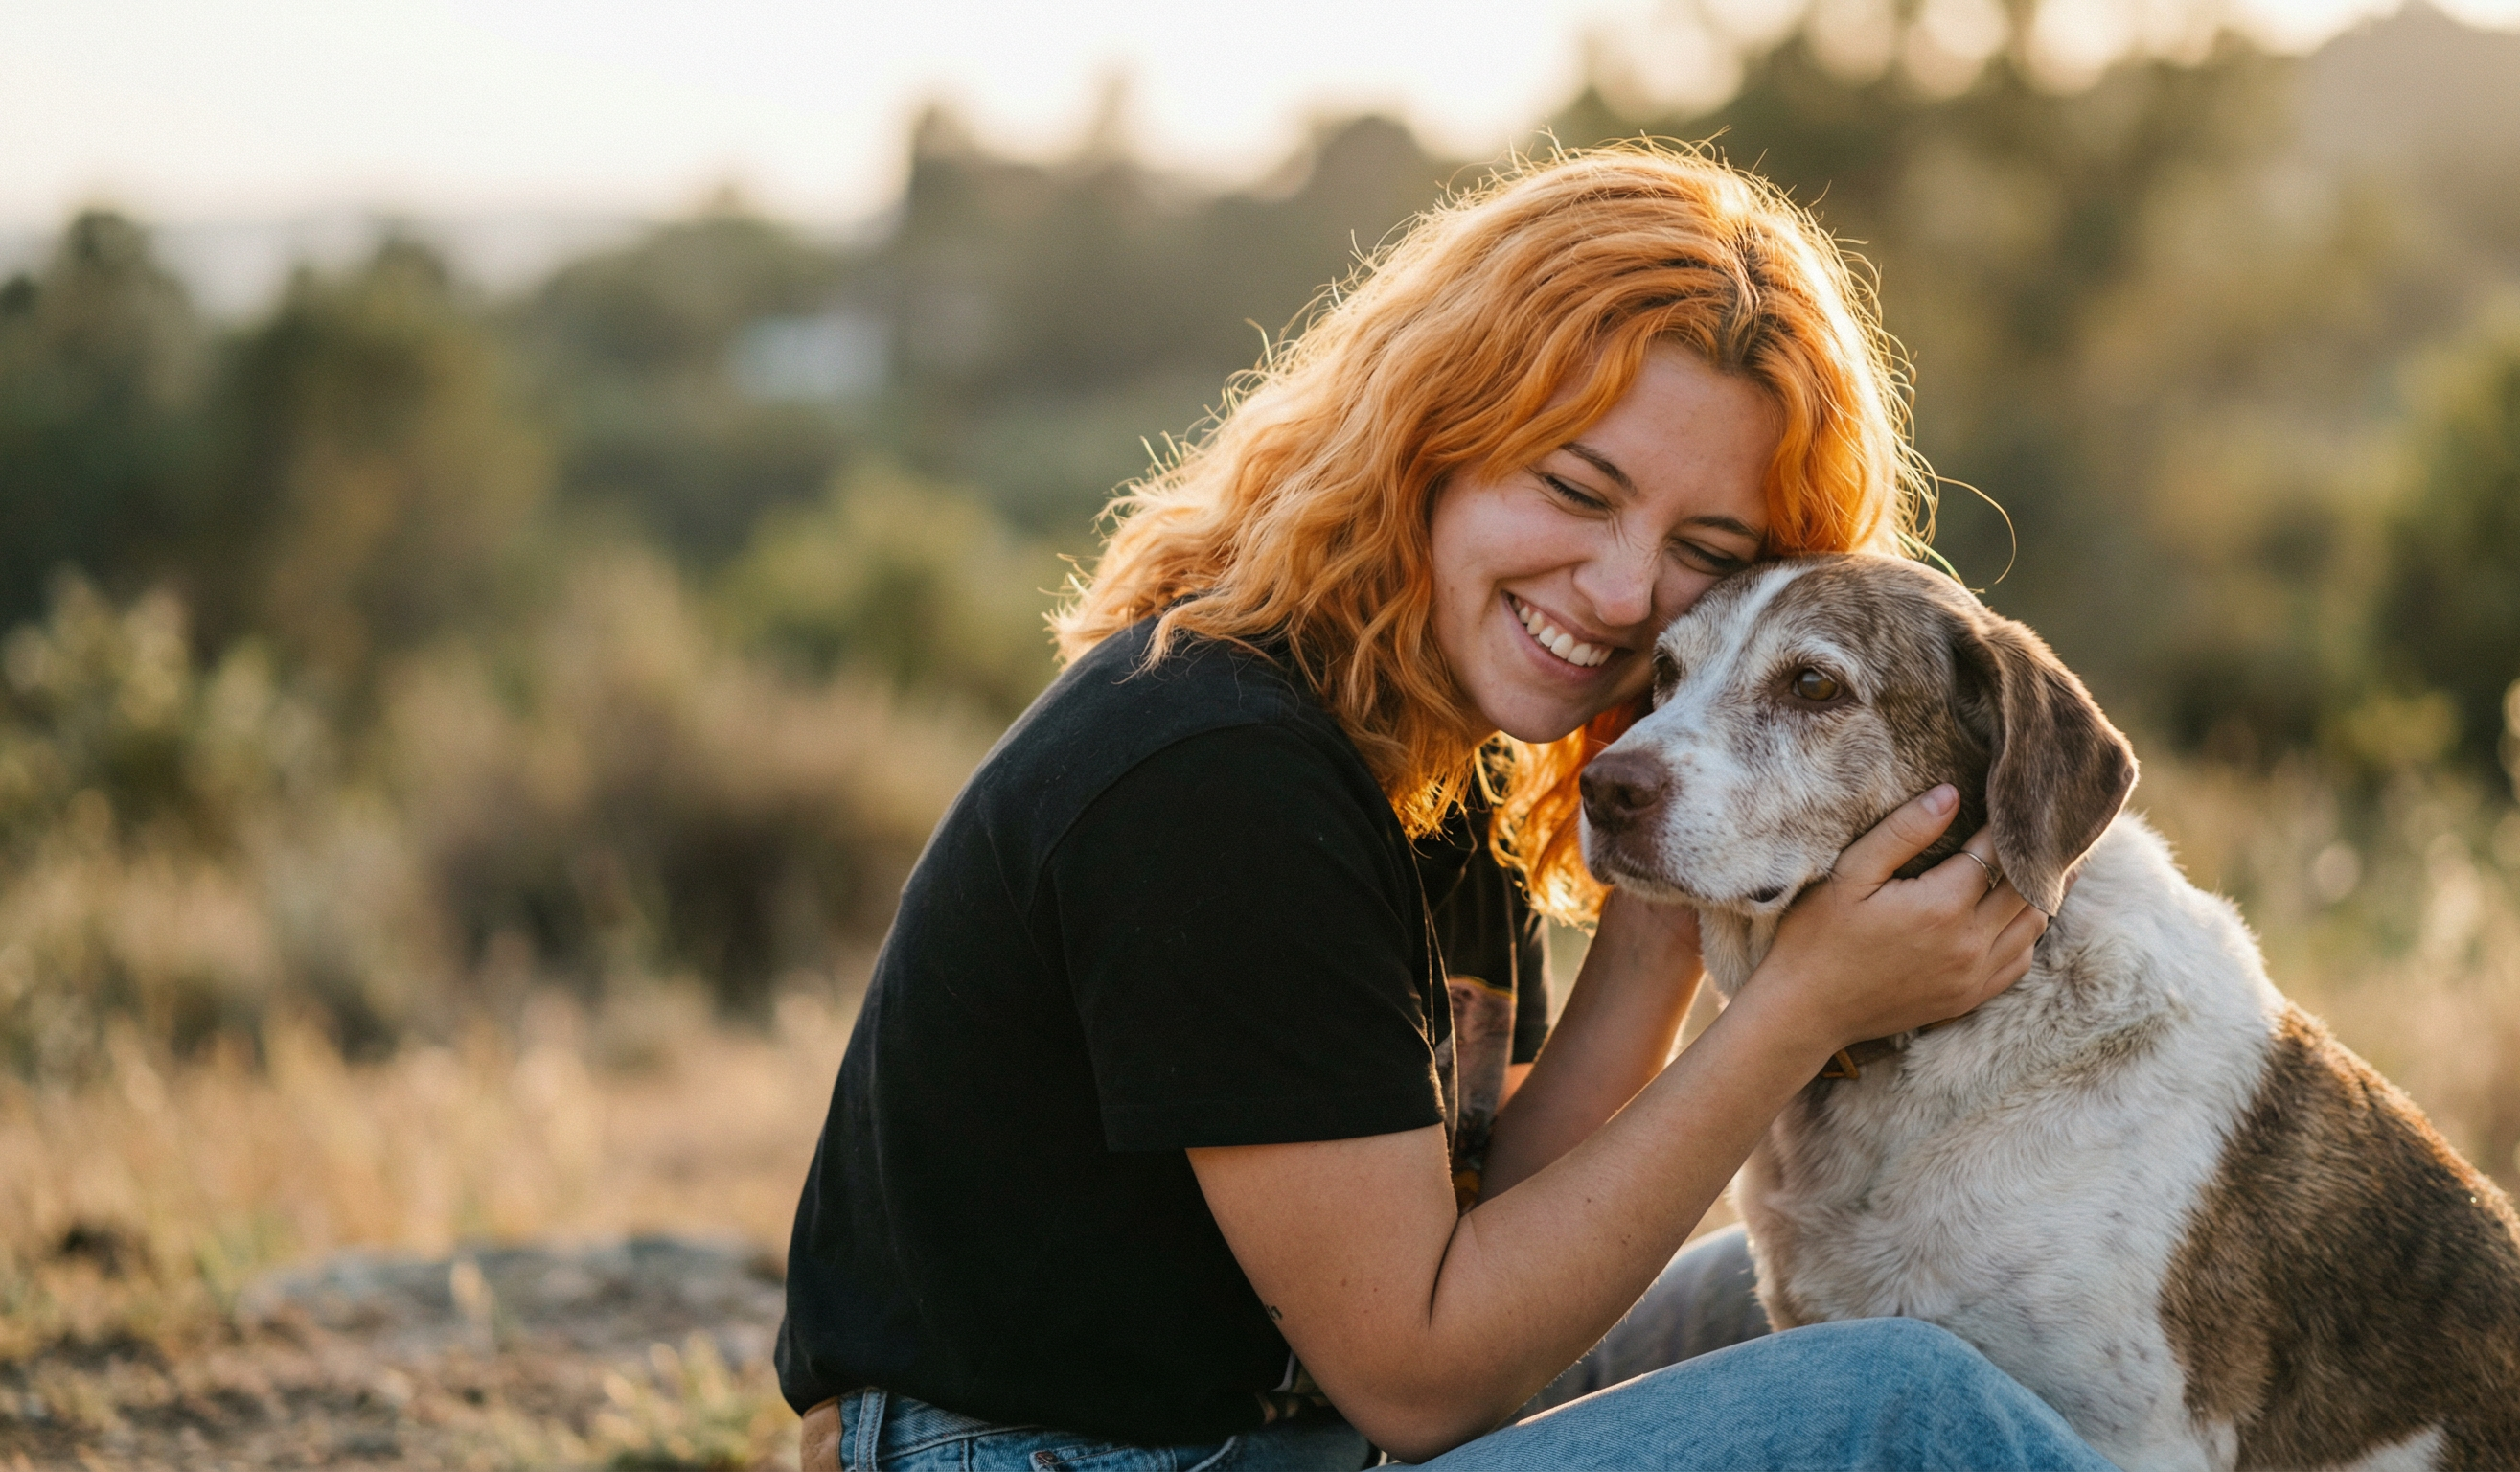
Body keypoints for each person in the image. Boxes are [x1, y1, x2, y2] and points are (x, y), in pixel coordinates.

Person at [777, 145, 2114, 1472]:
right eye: (1575, 491)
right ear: (1429, 437)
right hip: (1070, 1462)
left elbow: (1502, 1233)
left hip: (1290, 1435)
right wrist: (1800, 1008)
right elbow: (1422, 1383)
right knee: (1897, 1403)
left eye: (1708, 554)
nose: (1621, 591)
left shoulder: (1429, 759)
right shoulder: (1217, 775)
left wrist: (1667, 910)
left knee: (1747, 1294)